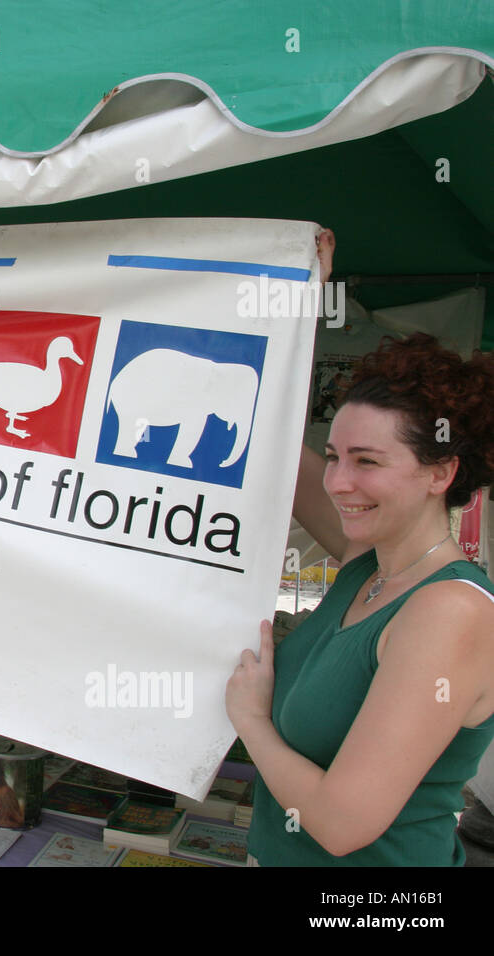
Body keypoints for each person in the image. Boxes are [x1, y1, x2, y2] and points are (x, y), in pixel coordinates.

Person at [226, 231, 494, 864]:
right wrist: (298, 300)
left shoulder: (450, 611)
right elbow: (279, 439)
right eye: (337, 454)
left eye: (367, 461)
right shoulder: (367, 564)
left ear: (440, 473)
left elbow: (342, 825)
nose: (338, 480)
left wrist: (253, 721)